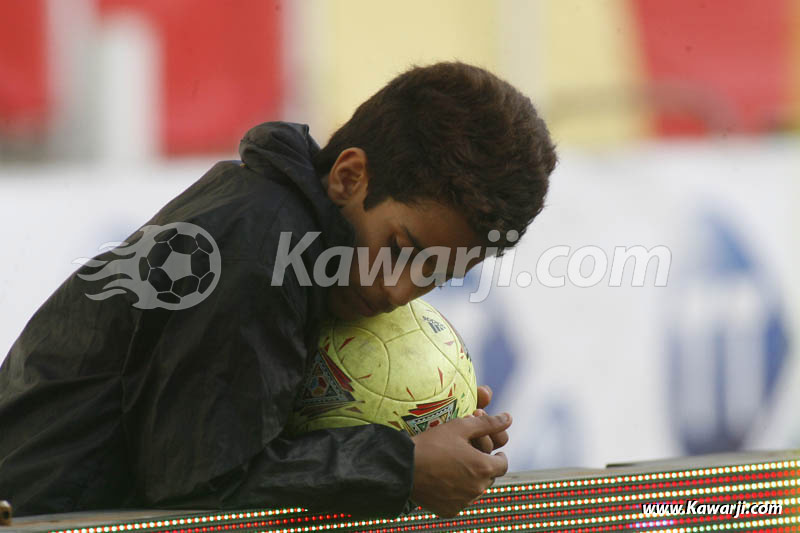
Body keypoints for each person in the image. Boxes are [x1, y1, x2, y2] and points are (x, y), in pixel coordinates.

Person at [0, 62, 557, 519]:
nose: (397, 292)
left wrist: (417, 423)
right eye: (401, 249)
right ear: (348, 176)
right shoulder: (255, 251)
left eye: (436, 274)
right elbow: (200, 490)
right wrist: (403, 466)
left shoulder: (288, 222)